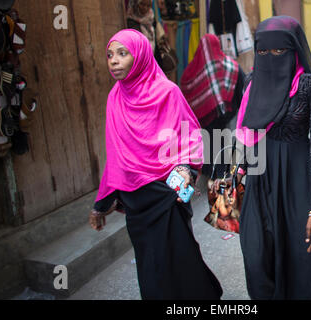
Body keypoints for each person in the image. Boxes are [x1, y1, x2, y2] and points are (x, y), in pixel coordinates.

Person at [88, 29, 222, 300]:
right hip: (136, 198)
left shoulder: (167, 92)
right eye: (110, 55)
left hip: (168, 192)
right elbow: (115, 155)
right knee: (150, 264)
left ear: (140, 56)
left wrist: (185, 167)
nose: (113, 61)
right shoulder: (115, 99)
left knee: (181, 254)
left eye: (122, 53)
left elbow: (190, 136)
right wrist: (101, 203)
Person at [223, 16, 311, 300]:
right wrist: (236, 173)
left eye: (279, 51)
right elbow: (246, 132)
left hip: (299, 179)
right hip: (260, 178)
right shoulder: (252, 82)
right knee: (256, 255)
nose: (270, 58)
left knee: (303, 259)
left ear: (294, 50)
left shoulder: (309, 86)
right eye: (263, 51)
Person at [180, 34, 245, 177]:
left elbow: (185, 99)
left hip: (204, 124)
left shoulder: (189, 74)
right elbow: (242, 93)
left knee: (210, 154)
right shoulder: (232, 66)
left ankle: (212, 179)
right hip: (229, 120)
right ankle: (225, 180)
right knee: (226, 152)